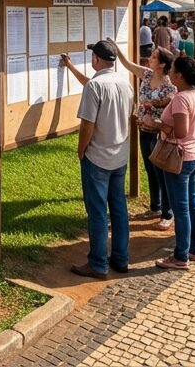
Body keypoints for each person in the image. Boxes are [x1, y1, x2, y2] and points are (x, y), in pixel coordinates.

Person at [69, 41, 135, 278]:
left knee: (97, 211)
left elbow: (88, 124)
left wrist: (81, 149)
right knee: (118, 209)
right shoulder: (125, 83)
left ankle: (97, 263)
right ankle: (121, 258)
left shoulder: (95, 86)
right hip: (119, 155)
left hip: (97, 156)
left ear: (96, 59)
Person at [113, 45, 178, 228]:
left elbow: (172, 104)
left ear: (163, 63)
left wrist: (156, 104)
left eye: (155, 57)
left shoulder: (169, 83)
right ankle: (155, 206)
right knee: (150, 170)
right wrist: (116, 48)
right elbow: (128, 64)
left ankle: (167, 213)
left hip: (160, 133)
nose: (150, 58)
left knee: (161, 172)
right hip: (144, 131)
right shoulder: (148, 74)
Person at [155, 54, 195, 270]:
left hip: (180, 157)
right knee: (192, 204)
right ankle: (194, 249)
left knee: (182, 208)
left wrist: (157, 124)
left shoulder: (180, 99)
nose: (170, 73)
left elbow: (180, 131)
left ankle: (180, 256)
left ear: (179, 75)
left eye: (173, 70)